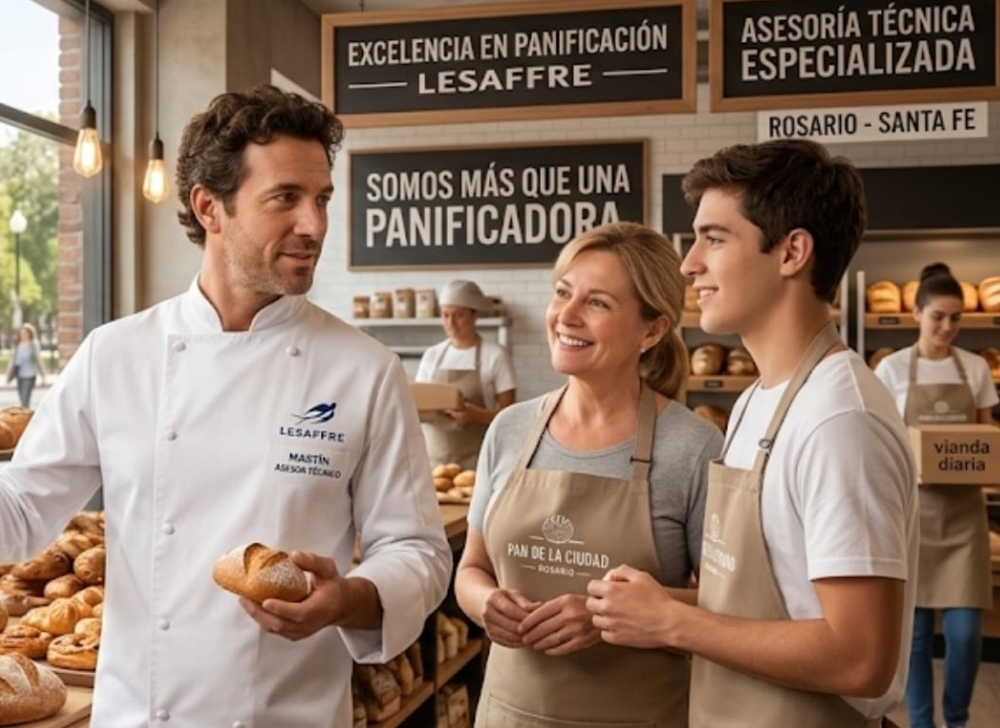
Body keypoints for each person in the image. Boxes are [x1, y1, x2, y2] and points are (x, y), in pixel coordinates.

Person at [0, 85, 452, 727]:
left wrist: (348, 598)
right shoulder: (116, 354)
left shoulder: (365, 370)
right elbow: (21, 507)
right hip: (138, 715)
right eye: (286, 199)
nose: (315, 224)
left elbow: (418, 551)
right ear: (209, 207)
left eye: (321, 198)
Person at [586, 140, 919, 728]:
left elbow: (861, 657)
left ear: (792, 252)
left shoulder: (840, 421)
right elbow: (771, 605)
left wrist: (672, 622)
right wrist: (646, 606)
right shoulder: (753, 402)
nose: (689, 264)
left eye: (713, 239)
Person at [455, 222, 722, 727]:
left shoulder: (693, 446)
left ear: (652, 330)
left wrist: (609, 615)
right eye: (563, 293)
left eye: (597, 303)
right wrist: (485, 602)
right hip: (509, 714)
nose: (566, 316)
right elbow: (472, 567)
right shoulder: (510, 429)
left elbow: (723, 608)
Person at [873, 263, 996, 728]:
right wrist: (910, 464)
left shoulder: (976, 368)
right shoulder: (891, 369)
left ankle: (958, 719)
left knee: (965, 635)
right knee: (918, 635)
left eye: (955, 318)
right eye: (937, 317)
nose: (947, 327)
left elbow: (986, 436)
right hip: (915, 513)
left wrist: (979, 462)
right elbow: (881, 438)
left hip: (965, 515)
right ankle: (922, 723)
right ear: (916, 314)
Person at [415, 280, 516, 471]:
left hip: (478, 462)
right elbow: (418, 407)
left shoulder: (495, 356)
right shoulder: (432, 355)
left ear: (474, 315)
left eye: (458, 315)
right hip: (433, 463)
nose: (450, 323)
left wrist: (474, 415)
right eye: (445, 315)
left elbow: (510, 417)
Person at [6, 322, 47, 407]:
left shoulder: (33, 345)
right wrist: (8, 376)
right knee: (22, 400)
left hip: (29, 375)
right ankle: (26, 417)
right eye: (21, 333)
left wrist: (43, 377)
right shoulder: (17, 345)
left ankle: (26, 419)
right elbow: (13, 361)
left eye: (25, 333)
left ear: (30, 334)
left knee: (25, 400)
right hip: (19, 375)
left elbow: (38, 360)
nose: (23, 335)